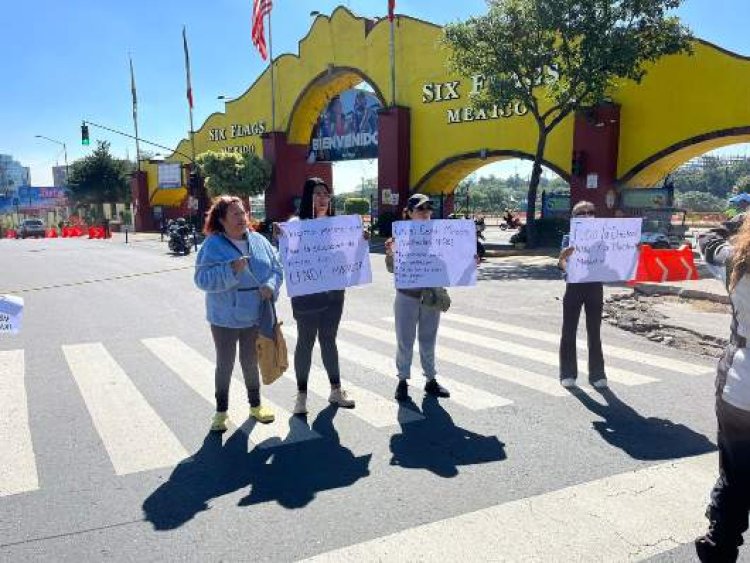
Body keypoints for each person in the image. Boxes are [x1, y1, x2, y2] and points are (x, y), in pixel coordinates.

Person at [194, 196, 283, 432]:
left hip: (255, 315)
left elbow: (277, 268)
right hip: (224, 318)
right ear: (221, 219)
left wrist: (271, 287)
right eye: (235, 214)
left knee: (250, 363)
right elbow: (201, 280)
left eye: (243, 212)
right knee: (225, 364)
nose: (242, 218)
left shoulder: (259, 240)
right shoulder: (212, 245)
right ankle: (221, 411)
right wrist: (230, 270)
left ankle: (256, 405)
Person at [694, 222, 750, 562]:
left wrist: (736, 220)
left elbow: (706, 240)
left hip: (739, 389)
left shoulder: (736, 261)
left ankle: (720, 544)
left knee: (734, 475)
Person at [281, 178, 356, 415]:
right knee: (305, 341)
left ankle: (336, 390)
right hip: (307, 295)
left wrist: (360, 242)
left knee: (329, 340)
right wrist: (281, 236)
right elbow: (289, 258)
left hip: (334, 293)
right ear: (307, 197)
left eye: (326, 194)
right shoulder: (296, 224)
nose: (322, 198)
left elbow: (349, 255)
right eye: (317, 194)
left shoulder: (339, 226)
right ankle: (301, 396)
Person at [385, 193, 451, 401]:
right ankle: (402, 380)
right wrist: (391, 253)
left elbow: (454, 262)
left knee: (428, 340)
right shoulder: (399, 238)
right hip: (407, 296)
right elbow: (391, 268)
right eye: (421, 209)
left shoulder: (443, 235)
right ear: (410, 213)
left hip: (431, 296)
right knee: (405, 340)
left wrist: (470, 260)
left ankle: (430, 380)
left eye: (428, 209)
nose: (426, 213)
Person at [557, 200, 608, 390]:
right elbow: (561, 265)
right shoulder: (569, 237)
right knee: (568, 331)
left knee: (594, 332)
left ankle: (597, 375)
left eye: (590, 211)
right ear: (574, 217)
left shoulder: (605, 237)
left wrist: (631, 250)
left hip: (595, 288)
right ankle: (567, 373)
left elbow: (617, 260)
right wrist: (564, 256)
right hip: (574, 288)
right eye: (581, 213)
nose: (587, 215)